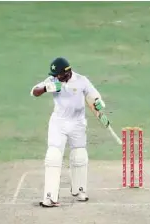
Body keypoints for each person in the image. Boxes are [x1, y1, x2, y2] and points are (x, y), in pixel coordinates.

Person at [30, 57, 110, 207]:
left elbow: (94, 97)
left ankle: (80, 190)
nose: (55, 77)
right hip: (58, 123)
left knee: (79, 155)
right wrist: (47, 88)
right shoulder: (52, 80)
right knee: (53, 156)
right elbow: (34, 92)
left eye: (58, 74)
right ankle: (50, 196)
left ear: (67, 72)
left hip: (77, 123)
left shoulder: (81, 80)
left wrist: (99, 103)